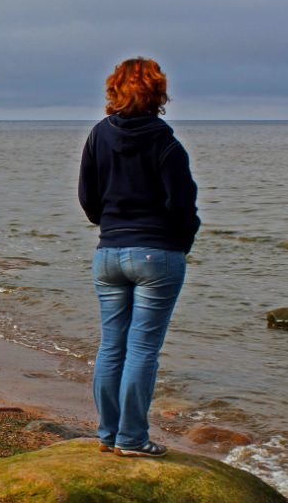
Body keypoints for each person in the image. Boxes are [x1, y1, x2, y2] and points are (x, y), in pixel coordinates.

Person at [78, 57, 199, 458]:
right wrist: (182, 242)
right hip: (157, 252)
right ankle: (132, 439)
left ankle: (108, 434)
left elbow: (88, 198)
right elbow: (182, 204)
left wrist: (109, 225)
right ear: (158, 93)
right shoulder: (165, 142)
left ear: (114, 90)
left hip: (109, 252)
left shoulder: (98, 135)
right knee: (143, 348)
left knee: (112, 345)